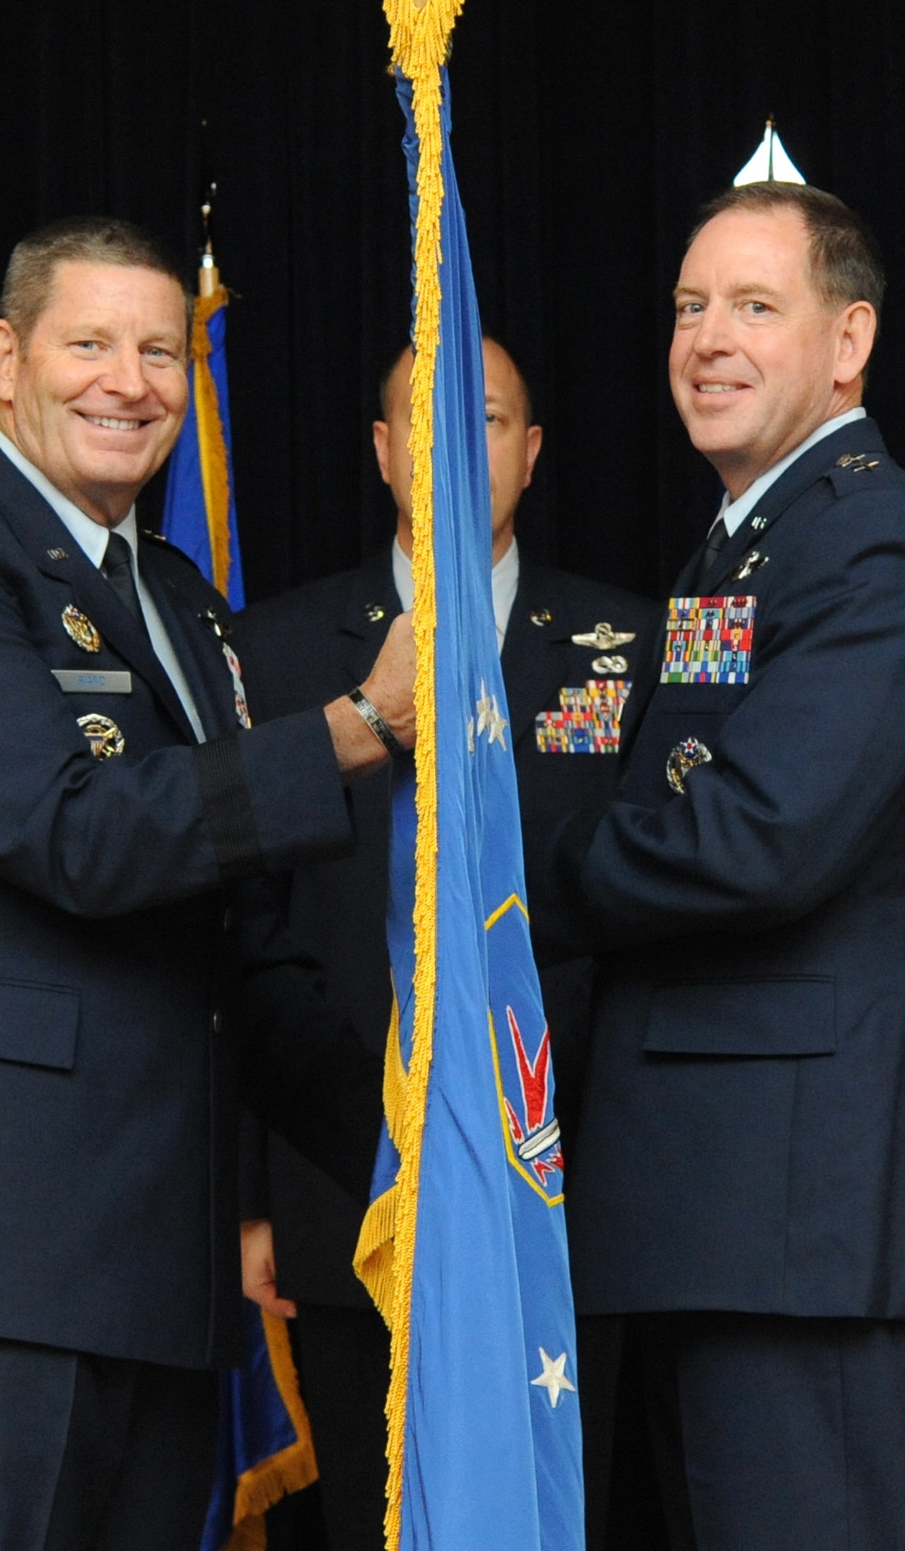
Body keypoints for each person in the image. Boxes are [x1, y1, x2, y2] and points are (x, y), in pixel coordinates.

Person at [0, 215, 417, 1550]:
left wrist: (422, 1159)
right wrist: (359, 725)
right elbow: (70, 831)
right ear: (4, 358)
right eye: (89, 344)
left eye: (161, 350)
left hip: (153, 1285)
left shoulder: (186, 607)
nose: (128, 381)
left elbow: (235, 946)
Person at [527, 183, 905, 1549]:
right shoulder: (746, 547)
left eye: (754, 306)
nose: (708, 339)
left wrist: (512, 886)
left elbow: (755, 841)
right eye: (690, 307)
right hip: (728, 1209)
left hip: (808, 1223)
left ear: (848, 341)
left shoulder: (877, 544)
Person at [236, 335, 658, 1550]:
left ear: (528, 452)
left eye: (482, 420)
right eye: (421, 420)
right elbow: (248, 934)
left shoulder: (631, 646)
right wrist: (257, 1198)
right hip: (349, 1183)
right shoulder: (272, 651)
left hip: (571, 1189)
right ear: (379, 454)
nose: (451, 446)